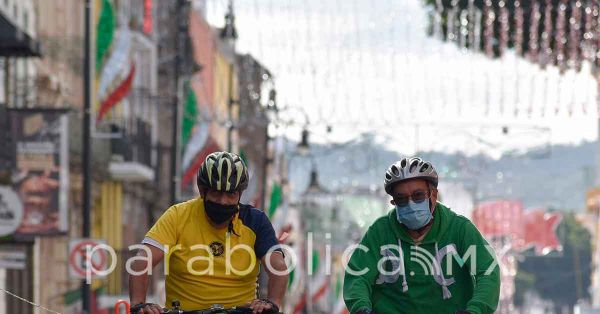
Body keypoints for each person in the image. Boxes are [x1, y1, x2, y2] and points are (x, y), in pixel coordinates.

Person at [129, 152, 288, 314]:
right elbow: (142, 261)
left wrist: (272, 303)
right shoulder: (177, 215)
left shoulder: (256, 221)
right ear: (202, 191)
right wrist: (139, 304)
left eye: (230, 194)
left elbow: (279, 267)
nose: (223, 201)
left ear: (240, 194)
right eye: (216, 193)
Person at [344, 157, 500, 314]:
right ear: (394, 202)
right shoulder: (380, 231)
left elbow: (487, 272)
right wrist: (360, 309)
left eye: (418, 195)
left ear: (433, 195)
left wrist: (475, 310)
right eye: (401, 199)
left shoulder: (460, 229)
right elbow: (358, 276)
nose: (410, 203)